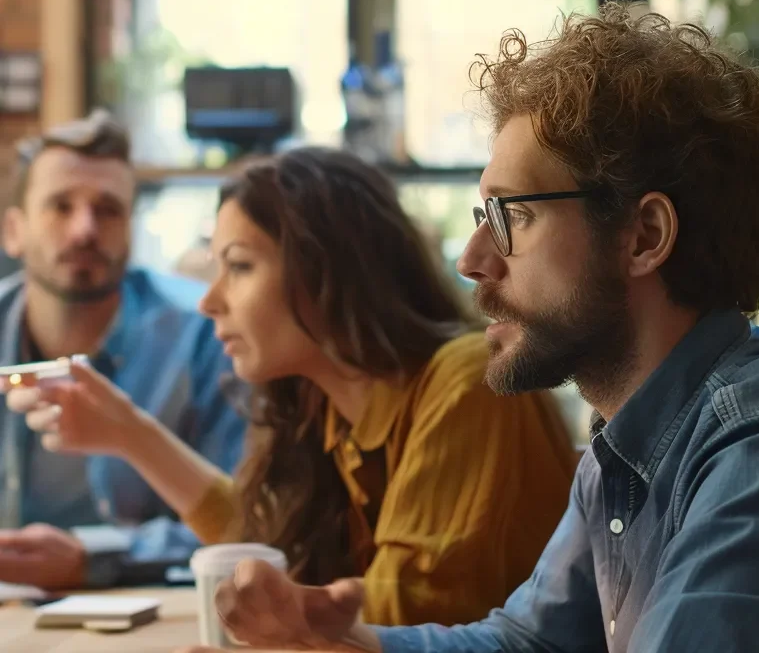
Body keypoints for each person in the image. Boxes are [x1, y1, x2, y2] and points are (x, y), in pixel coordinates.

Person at [172, 1, 759, 653]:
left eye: (512, 217)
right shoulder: (626, 446)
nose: (473, 259)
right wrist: (344, 644)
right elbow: (527, 641)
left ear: (644, 236)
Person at [8, 146, 578, 626]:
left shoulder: (464, 381)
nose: (209, 301)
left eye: (239, 266)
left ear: (325, 271)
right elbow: (263, 538)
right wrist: (131, 434)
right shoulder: (329, 407)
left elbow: (406, 613)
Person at [0, 110, 245, 590]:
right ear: (14, 231)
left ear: (132, 229)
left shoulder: (205, 338)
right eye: (60, 206)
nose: (84, 230)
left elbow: (250, 523)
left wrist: (95, 558)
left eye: (109, 210)